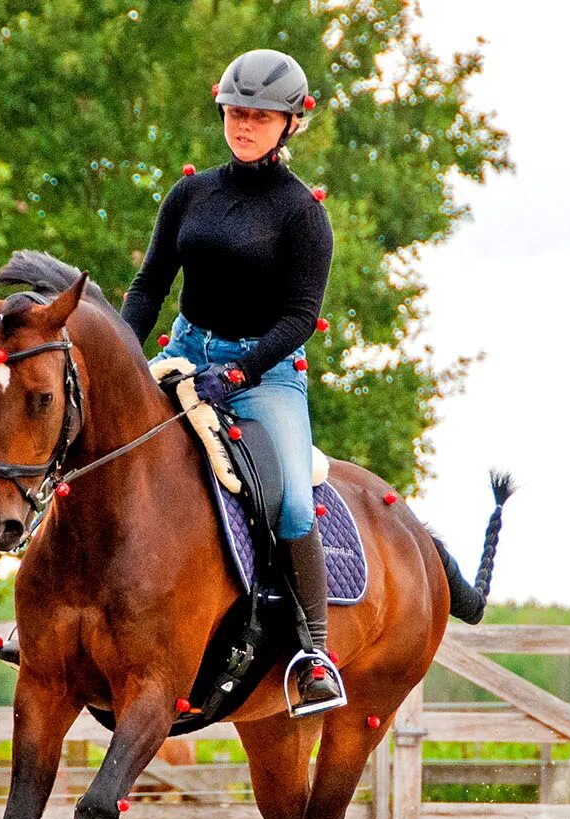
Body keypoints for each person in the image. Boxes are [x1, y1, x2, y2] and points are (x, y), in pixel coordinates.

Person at [119, 47, 342, 716]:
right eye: (236, 113)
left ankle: (313, 654)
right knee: (99, 447)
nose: (244, 126)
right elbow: (149, 284)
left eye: (260, 116)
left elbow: (301, 316)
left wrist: (240, 371)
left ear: (289, 124)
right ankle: (53, 616)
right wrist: (128, 361)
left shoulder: (303, 214)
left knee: (296, 503)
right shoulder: (190, 194)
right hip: (184, 352)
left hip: (264, 373)